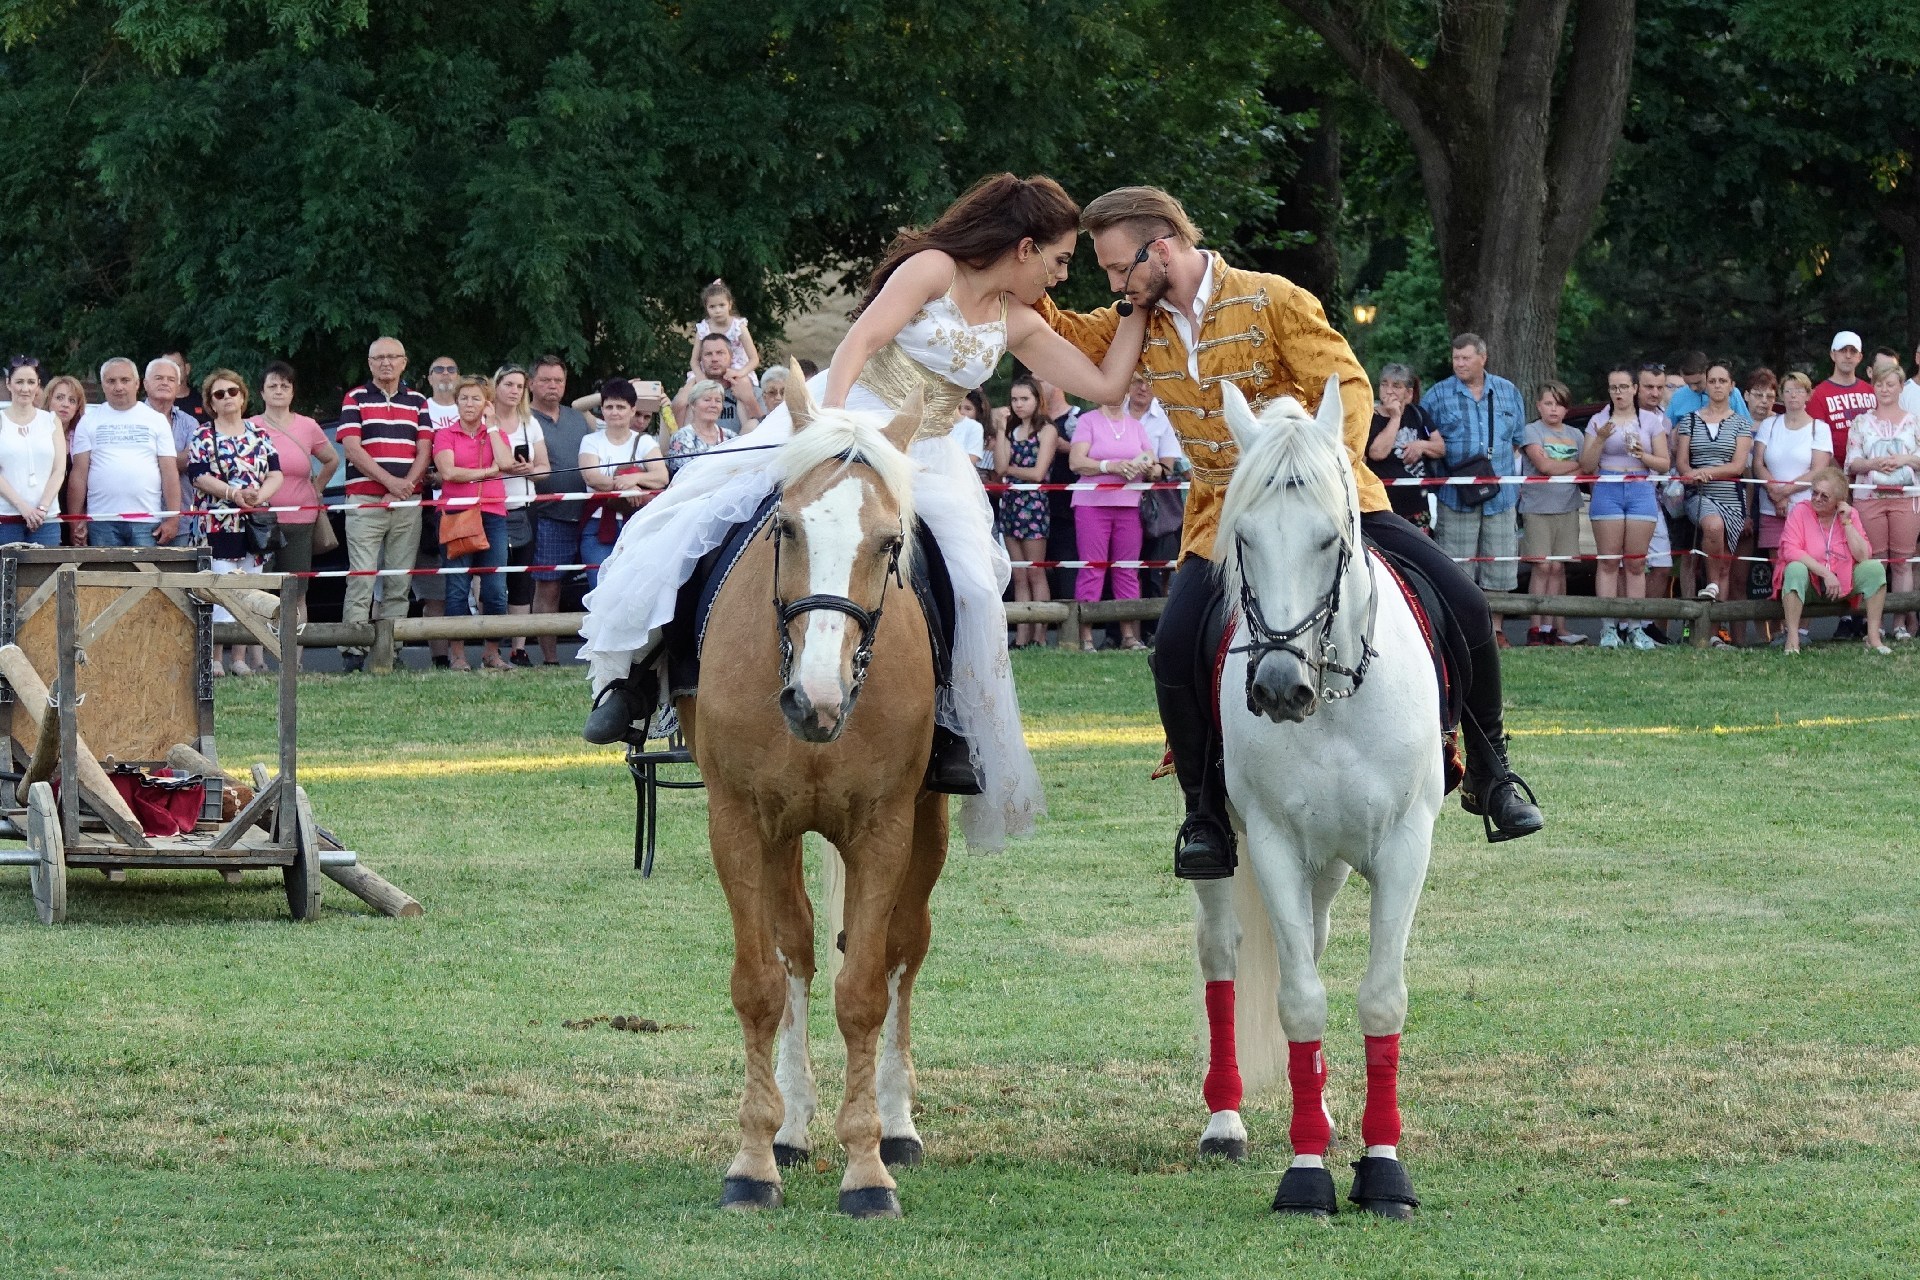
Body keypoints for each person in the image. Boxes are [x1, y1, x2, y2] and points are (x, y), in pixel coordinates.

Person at [579, 172, 1150, 852]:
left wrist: (1137, 306)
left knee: (972, 587)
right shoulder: (933, 269)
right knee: (705, 518)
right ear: (1025, 248)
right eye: (1058, 261)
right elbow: (859, 343)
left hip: (922, 458)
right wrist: (826, 429)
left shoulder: (1018, 321)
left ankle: (948, 727)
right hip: (846, 414)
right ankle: (638, 682)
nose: (1059, 278)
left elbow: (1107, 384)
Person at [1038, 186, 1542, 875]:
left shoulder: (1271, 298)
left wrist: (1326, 475)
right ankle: (1204, 812)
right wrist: (1017, 258)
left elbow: (1348, 385)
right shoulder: (1135, 322)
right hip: (1221, 518)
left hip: (1327, 499)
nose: (1114, 285)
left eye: (1120, 268)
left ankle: (1491, 769)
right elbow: (1056, 334)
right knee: (1174, 649)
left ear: (1163, 249)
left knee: (1467, 603)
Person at [336, 337, 432, 672]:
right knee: (361, 578)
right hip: (365, 500)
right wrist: (391, 483)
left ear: (404, 362)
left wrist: (404, 487)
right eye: (379, 358)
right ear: (370, 363)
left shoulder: (419, 401)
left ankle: (390, 652)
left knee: (398, 580)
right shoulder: (355, 398)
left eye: (392, 357)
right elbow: (352, 448)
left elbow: (425, 450)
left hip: (407, 501)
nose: (386, 363)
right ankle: (353, 651)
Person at [1423, 333, 1526, 640]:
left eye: (1466, 358)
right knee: (1457, 568)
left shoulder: (1508, 391)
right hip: (1455, 496)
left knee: (1500, 567)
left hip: (1501, 497)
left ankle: (1496, 631)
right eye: (1455, 358)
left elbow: (1517, 441)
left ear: (1483, 358)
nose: (1459, 364)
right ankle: (1463, 632)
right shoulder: (1437, 394)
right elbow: (1424, 437)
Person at [188, 370, 285, 675]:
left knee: (249, 589)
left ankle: (239, 659)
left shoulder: (259, 434)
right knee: (220, 590)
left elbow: (275, 473)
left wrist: (260, 496)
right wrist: (233, 494)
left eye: (232, 391)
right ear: (211, 402)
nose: (227, 398)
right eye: (219, 394)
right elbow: (198, 476)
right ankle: (215, 658)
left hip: (254, 524)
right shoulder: (203, 435)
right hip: (217, 524)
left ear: (243, 396)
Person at [1579, 365, 1670, 649]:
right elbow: (1587, 466)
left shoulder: (1650, 421)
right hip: (1608, 487)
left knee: (1636, 562)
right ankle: (1608, 627)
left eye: (1623, 387)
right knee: (1608, 561)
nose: (1619, 393)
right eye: (1613, 388)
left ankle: (1635, 627)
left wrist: (1643, 455)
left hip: (1640, 487)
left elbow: (1664, 463)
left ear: (1634, 389)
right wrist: (1601, 439)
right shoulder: (1598, 420)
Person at [433, 376, 515, 671]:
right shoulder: (445, 434)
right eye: (464, 398)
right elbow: (449, 472)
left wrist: (491, 426)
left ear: (487, 404)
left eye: (476, 398)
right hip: (457, 514)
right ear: (456, 402)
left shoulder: (497, 433)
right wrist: (488, 472)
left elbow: (506, 463)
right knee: (457, 587)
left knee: (496, 589)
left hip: (493, 514)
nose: (469, 404)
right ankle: (457, 655)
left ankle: (491, 653)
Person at [1067, 393, 1157, 650]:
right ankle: (1085, 637)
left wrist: (1144, 467)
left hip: (1129, 504)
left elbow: (1151, 460)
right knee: (1093, 567)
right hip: (1092, 504)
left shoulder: (1136, 426)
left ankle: (1129, 635)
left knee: (1127, 569)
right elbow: (1076, 462)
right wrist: (1110, 466)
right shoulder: (1088, 421)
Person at [67, 358, 182, 548]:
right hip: (101, 520)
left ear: (137, 383)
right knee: (106, 569)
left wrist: (173, 519)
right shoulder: (88, 421)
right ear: (103, 385)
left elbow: (169, 473)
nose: (118, 387)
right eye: (111, 381)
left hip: (147, 519)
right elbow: (79, 475)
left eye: (125, 380)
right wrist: (75, 520)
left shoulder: (157, 420)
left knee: (145, 569)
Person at [1843, 362, 1920, 641]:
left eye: (1890, 384)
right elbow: (1851, 463)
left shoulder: (1914, 421)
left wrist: (1903, 459)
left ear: (1900, 387)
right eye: (1879, 384)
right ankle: (1873, 623)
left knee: (1902, 561)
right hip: (1869, 498)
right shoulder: (1861, 422)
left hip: (1907, 498)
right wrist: (1873, 463)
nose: (1884, 389)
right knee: (1874, 561)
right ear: (1873, 387)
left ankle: (1899, 623)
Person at [1673, 360, 1754, 621]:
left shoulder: (1741, 423)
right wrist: (1693, 474)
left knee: (1726, 565)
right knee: (1713, 526)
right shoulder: (1689, 421)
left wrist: (1707, 471)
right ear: (1706, 386)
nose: (1717, 386)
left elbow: (1738, 465)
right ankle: (1712, 584)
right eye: (1713, 381)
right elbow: (1682, 462)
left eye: (1722, 381)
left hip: (1731, 496)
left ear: (1732, 386)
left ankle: (1718, 630)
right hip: (1699, 494)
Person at [250, 361, 338, 601]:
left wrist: (316, 488)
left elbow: (332, 460)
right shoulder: (250, 427)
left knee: (296, 593)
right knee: (258, 593)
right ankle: (261, 630)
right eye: (273, 386)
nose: (279, 391)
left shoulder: (308, 426)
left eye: (285, 386)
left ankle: (295, 629)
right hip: (261, 522)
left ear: (292, 392)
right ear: (262, 392)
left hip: (301, 520)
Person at [1776, 468, 1889, 653]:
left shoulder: (1850, 514)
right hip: (1811, 584)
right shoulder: (1800, 511)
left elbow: (1863, 556)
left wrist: (1847, 522)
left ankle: (1873, 639)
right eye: (1815, 493)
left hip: (1844, 583)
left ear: (1838, 500)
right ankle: (1793, 640)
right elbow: (1790, 550)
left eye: (1824, 496)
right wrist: (1826, 574)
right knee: (1795, 568)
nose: (1817, 499)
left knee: (1874, 569)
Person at [527, 356, 595, 665]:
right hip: (548, 514)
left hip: (588, 514)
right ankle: (550, 658)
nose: (552, 386)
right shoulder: (524, 419)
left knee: (598, 582)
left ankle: (599, 653)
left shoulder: (578, 418)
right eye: (545, 380)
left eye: (558, 380)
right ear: (531, 383)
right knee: (548, 586)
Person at [579, 379, 667, 592]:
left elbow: (661, 476)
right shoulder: (591, 440)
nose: (614, 412)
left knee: (634, 589)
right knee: (600, 589)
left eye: (620, 407)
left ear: (632, 410)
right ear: (602, 410)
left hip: (637, 524)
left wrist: (634, 479)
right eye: (609, 407)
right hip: (598, 525)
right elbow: (591, 477)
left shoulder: (645, 441)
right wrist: (626, 488)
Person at [489, 364, 550, 665]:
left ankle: (519, 647)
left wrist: (529, 470)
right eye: (509, 384)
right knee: (492, 581)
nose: (514, 391)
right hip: (491, 507)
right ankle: (491, 646)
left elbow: (545, 468)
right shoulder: (485, 420)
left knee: (521, 580)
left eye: (519, 386)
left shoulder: (530, 423)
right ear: (496, 385)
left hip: (524, 507)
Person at [1518, 381, 1585, 645]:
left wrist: (1570, 466)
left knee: (1558, 567)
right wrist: (1574, 464)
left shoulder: (1576, 435)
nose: (1553, 409)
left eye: (1559, 404)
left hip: (1567, 506)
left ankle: (1556, 627)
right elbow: (1544, 466)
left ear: (1567, 408)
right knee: (1542, 566)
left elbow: (1586, 468)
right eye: (1548, 403)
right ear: (1538, 406)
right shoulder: (1531, 431)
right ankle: (1536, 627)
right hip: (1537, 508)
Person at [995, 374, 1059, 648]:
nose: (1018, 404)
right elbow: (999, 467)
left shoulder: (1047, 430)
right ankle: (1021, 637)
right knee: (1019, 574)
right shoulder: (1011, 430)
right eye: (1014, 399)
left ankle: (1040, 636)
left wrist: (1011, 470)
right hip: (1011, 503)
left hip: (1033, 505)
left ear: (1037, 400)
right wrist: (1000, 430)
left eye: (1024, 399)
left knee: (1035, 571)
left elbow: (1038, 473)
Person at [414, 356, 462, 667]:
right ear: (429, 377)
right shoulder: (421, 409)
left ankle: (467, 654)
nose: (445, 375)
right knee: (430, 588)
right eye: (438, 370)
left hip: (462, 507)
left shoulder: (469, 408)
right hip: (425, 509)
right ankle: (440, 657)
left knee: (462, 586)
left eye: (451, 369)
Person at [1367, 363, 1443, 530]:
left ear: (1408, 393)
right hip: (1383, 508)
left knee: (1420, 546)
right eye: (1384, 384)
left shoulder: (1417, 413)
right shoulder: (1369, 417)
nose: (1388, 391)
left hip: (1417, 507)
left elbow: (1440, 447)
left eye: (1396, 386)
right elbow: (1377, 453)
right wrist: (1395, 418)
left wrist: (1421, 445)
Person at [0, 357, 68, 546]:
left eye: (30, 382)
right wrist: (23, 508)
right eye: (19, 382)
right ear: (9, 384)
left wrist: (42, 508)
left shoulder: (50, 421)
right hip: (6, 518)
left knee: (46, 565)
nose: (25, 388)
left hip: (46, 519)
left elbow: (59, 470)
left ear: (38, 384)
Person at [144, 356, 202, 546]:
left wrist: (149, 461)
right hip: (139, 518)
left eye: (170, 379)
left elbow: (191, 459)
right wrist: (173, 462)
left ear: (178, 387)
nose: (165, 383)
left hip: (181, 520)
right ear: (145, 384)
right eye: (158, 378)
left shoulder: (190, 422)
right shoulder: (132, 420)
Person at [1807, 331, 1877, 464]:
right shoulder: (1818, 394)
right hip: (1832, 470)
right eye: (1843, 350)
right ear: (1833, 354)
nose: (1848, 356)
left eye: (1853, 351)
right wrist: (1839, 474)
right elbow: (1816, 441)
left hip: (1871, 468)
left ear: (1860, 357)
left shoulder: (1872, 391)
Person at [672, 334, 762, 434]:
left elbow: (767, 431)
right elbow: (674, 437)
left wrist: (749, 400)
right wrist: (678, 405)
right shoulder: (688, 394)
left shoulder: (753, 392)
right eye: (708, 354)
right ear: (701, 359)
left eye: (720, 353)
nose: (714, 359)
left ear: (731, 356)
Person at [665, 380, 738, 476]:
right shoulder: (682, 437)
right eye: (707, 400)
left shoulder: (731, 437)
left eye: (718, 401)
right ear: (693, 405)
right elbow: (683, 475)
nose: (713, 405)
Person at [689, 278, 760, 374]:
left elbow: (754, 359)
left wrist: (740, 373)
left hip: (736, 370)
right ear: (706, 308)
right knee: (690, 383)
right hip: (709, 371)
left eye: (722, 305)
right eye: (712, 307)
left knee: (741, 382)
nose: (717, 311)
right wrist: (700, 376)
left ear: (730, 305)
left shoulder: (738, 328)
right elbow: (694, 361)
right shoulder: (703, 329)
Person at [1665, 350, 1750, 424]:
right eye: (1688, 384)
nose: (1693, 388)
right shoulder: (1678, 396)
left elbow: (1746, 427)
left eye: (1698, 383)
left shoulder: (1731, 393)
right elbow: (1665, 430)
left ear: (1708, 373)